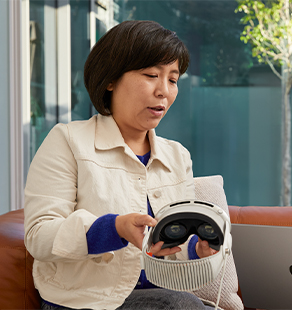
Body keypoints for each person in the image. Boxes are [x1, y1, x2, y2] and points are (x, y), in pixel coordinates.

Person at [24, 20, 217, 309]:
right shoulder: (67, 140)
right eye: (151, 74)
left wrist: (196, 249)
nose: (164, 90)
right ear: (111, 79)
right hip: (85, 300)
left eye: (173, 79)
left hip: (161, 298)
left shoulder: (178, 157)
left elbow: (170, 244)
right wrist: (115, 228)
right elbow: (39, 235)